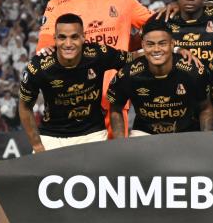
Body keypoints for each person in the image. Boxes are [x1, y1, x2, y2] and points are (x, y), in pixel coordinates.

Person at [36, 0, 153, 137]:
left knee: (114, 162)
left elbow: (155, 28)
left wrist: (131, 42)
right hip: (73, 99)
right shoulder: (57, 5)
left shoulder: (123, 0)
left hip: (114, 97)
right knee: (76, 165)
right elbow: (45, 46)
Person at [19, 14, 133, 152]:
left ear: (83, 37)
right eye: (62, 37)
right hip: (51, 137)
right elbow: (24, 106)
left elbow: (132, 60)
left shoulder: (98, 54)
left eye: (74, 37)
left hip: (92, 135)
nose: (68, 44)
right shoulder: (38, 67)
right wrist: (37, 145)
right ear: (54, 38)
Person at [107, 20, 212, 136]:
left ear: (172, 44)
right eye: (150, 44)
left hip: (186, 132)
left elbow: (205, 108)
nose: (156, 49)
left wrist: (206, 139)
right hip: (144, 133)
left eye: (162, 43)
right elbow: (115, 109)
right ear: (143, 46)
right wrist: (121, 142)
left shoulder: (193, 72)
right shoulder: (127, 74)